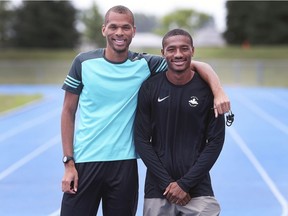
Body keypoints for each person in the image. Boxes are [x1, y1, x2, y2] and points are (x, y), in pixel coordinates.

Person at [60, 5, 229, 216]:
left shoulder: (145, 64)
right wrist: (68, 162)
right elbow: (68, 111)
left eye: (125, 27)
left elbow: (193, 64)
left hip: (124, 164)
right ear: (104, 29)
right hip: (85, 162)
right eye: (113, 27)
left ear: (134, 31)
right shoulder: (83, 62)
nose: (119, 33)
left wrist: (219, 91)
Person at [133, 28, 225, 216]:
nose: (178, 54)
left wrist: (185, 183)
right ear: (163, 53)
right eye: (172, 49)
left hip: (198, 191)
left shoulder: (208, 91)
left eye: (184, 48)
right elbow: (141, 139)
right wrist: (168, 183)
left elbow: (215, 142)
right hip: (158, 190)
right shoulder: (149, 88)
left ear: (193, 51)